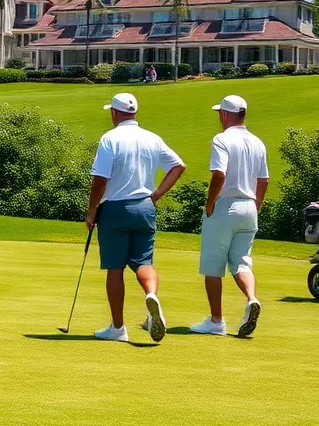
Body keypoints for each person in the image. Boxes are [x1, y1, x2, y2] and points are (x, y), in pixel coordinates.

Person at [85, 92, 186, 343]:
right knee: (144, 262)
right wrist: (156, 195)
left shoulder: (110, 139)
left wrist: (91, 211)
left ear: (114, 113)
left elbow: (100, 180)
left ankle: (118, 328)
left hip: (115, 210)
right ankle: (151, 295)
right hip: (145, 208)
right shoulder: (152, 138)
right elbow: (178, 166)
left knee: (115, 268)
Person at [193, 94, 269, 338]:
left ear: (225, 115)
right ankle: (251, 298)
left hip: (225, 205)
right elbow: (263, 180)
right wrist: (256, 205)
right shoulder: (257, 142)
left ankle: (216, 321)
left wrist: (210, 203)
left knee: (213, 265)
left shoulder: (222, 139)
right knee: (242, 261)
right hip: (249, 206)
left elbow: (219, 174)